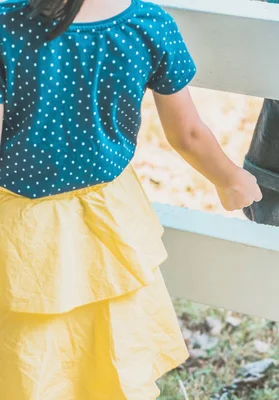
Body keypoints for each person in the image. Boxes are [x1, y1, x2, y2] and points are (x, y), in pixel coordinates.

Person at [0, 0, 263, 398]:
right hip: (111, 214)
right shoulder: (148, 24)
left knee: (33, 352)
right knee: (111, 341)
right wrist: (231, 180)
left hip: (25, 227)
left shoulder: (9, 23)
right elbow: (188, 133)